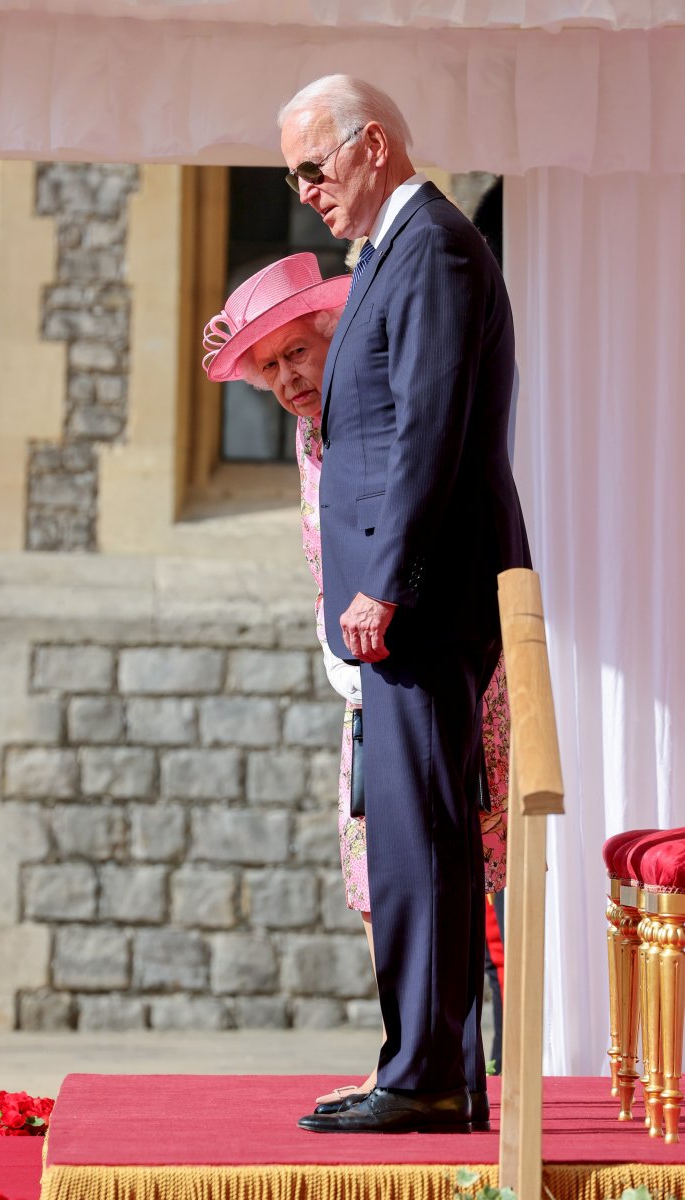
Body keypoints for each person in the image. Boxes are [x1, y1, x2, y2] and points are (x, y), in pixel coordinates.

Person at [202, 251, 513, 1119]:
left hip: (428, 651)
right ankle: (424, 1066)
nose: (287, 379)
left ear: (333, 331)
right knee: (381, 874)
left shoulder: (373, 394)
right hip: (363, 665)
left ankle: (459, 1073)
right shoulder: (313, 427)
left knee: (472, 865)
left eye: (295, 353)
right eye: (268, 370)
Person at [277, 76, 531, 1135]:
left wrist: (384, 578)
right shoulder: (393, 251)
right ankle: (423, 1065)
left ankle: (426, 1075)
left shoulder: (429, 245)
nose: (304, 194)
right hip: (399, 605)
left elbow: (428, 425)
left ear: (371, 145)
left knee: (424, 840)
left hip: (417, 604)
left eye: (312, 168)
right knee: (407, 843)